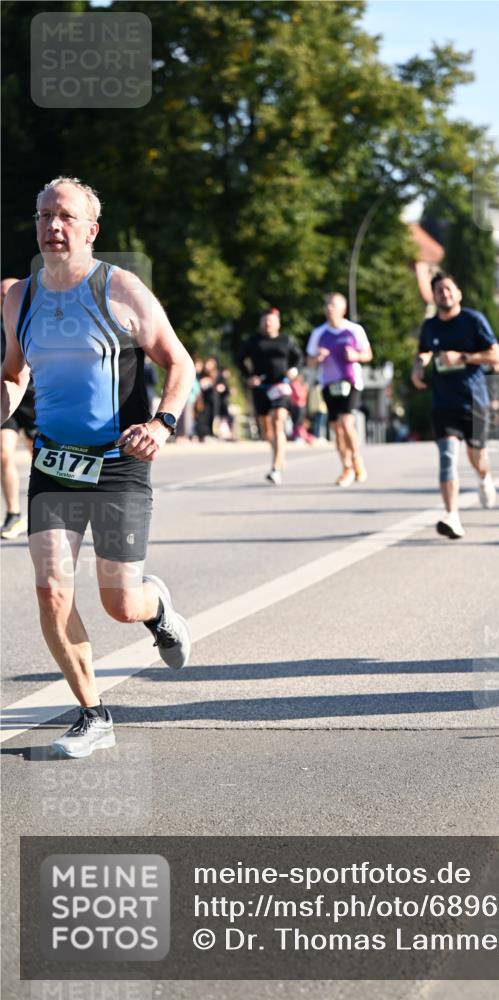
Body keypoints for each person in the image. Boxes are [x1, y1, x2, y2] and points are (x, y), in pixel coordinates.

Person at [1, 176, 195, 757]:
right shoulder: (20, 298)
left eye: (64, 216)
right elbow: (14, 375)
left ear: (91, 229)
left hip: (119, 462)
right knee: (51, 589)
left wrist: (162, 423)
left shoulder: (120, 288)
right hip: (55, 464)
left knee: (120, 603)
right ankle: (93, 713)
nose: (52, 226)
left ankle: (155, 607)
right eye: (43, 215)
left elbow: (178, 362)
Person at [411, 272, 499, 539]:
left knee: (477, 457)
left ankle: (484, 478)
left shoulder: (473, 321)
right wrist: (418, 368)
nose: (444, 294)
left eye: (448, 289)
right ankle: (452, 515)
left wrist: (462, 357)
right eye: (439, 290)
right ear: (434, 296)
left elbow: (496, 355)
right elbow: (422, 352)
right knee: (447, 457)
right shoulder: (429, 327)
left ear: (458, 293)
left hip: (473, 400)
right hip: (443, 402)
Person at [306, 292, 372, 486]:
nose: (329, 309)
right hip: (328, 383)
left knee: (346, 422)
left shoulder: (354, 330)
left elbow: (368, 354)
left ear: (343, 309)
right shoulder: (319, 333)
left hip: (350, 382)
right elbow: (309, 361)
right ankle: (346, 467)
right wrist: (317, 358)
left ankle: (356, 459)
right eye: (327, 305)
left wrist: (355, 356)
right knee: (336, 427)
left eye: (333, 305)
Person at [237, 307, 302, 484]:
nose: (268, 323)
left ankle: (275, 467)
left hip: (281, 386)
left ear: (278, 323)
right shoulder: (253, 341)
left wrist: (293, 371)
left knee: (278, 420)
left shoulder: (286, 340)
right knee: (267, 431)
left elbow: (298, 359)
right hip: (261, 388)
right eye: (265, 320)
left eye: (271, 320)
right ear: (260, 323)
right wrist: (249, 376)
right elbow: (239, 359)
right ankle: (279, 455)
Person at [1, 277, 38, 539]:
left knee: (42, 460)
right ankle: (13, 514)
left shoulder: (38, 322)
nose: (5, 297)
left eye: (9, 293)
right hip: (6, 396)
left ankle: (44, 512)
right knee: (3, 453)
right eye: (1, 294)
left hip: (36, 397)